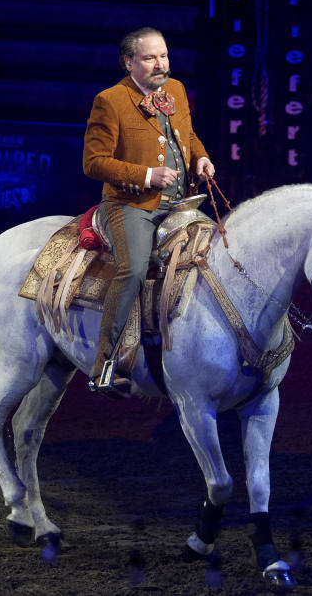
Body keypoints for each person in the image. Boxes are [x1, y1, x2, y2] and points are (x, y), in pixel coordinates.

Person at [82, 26, 215, 390]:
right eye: (150, 58)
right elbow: (93, 163)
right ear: (129, 62)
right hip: (131, 205)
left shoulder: (175, 90)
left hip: (181, 203)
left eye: (164, 56)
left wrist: (200, 157)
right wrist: (146, 175)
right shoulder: (110, 100)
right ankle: (106, 366)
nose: (161, 64)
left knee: (219, 255)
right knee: (134, 270)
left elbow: (186, 136)